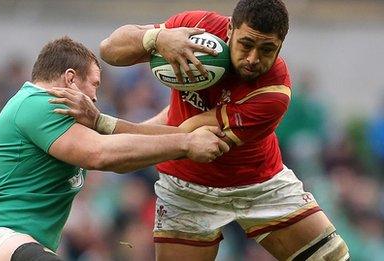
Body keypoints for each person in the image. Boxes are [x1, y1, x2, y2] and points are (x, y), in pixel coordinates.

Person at [49, 1, 350, 260]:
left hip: (259, 186)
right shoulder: (197, 29)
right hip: (186, 187)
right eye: (246, 44)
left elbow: (185, 136)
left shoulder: (273, 93)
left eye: (267, 49)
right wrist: (157, 38)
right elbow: (109, 50)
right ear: (231, 30)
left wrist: (103, 123)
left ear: (281, 45)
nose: (253, 59)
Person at [0, 36, 230, 261]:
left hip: (17, 246)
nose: (95, 96)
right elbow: (103, 154)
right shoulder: (40, 102)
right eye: (94, 84)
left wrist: (184, 109)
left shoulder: (65, 119)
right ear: (70, 79)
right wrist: (185, 142)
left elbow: (131, 143)